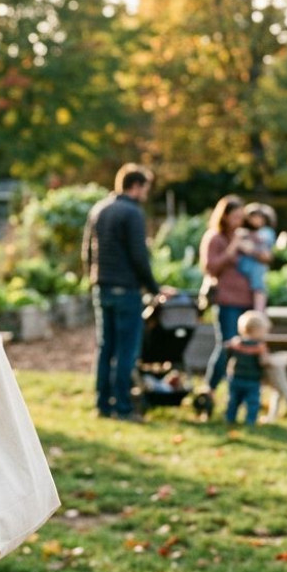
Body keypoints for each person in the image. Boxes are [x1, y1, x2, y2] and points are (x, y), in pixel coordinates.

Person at [81, 164, 163, 422]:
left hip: (102, 286)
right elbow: (139, 256)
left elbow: (87, 252)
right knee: (126, 350)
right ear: (136, 186)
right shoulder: (133, 212)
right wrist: (155, 289)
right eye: (145, 188)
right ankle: (124, 407)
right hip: (126, 289)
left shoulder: (99, 209)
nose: (146, 194)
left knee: (105, 347)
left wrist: (92, 279)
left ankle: (103, 404)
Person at [202, 195, 257, 396]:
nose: (239, 221)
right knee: (226, 345)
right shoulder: (215, 238)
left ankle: (237, 393)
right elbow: (211, 268)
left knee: (245, 348)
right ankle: (209, 389)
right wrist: (233, 247)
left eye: (241, 217)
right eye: (235, 217)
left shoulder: (246, 236)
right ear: (224, 216)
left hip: (247, 300)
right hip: (227, 300)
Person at [222, 310, 271, 427]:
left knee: (233, 400)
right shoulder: (260, 347)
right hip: (252, 379)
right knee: (253, 402)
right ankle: (250, 421)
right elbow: (264, 362)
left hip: (235, 377)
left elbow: (226, 350)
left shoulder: (236, 343)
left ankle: (229, 419)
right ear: (258, 330)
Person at [236, 203, 276, 313]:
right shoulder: (243, 231)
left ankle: (259, 311)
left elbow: (266, 253)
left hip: (257, 267)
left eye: (259, 217)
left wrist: (253, 248)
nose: (257, 220)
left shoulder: (266, 232)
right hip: (244, 269)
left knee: (259, 287)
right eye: (253, 217)